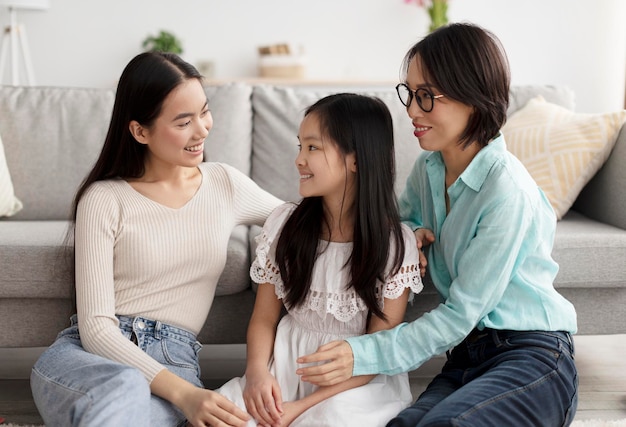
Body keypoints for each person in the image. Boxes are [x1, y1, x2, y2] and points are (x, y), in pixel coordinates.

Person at [296, 23, 579, 427]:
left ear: (473, 98)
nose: (411, 110)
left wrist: (362, 354)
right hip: (466, 356)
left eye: (426, 97)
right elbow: (402, 221)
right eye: (410, 94)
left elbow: (461, 313)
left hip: (533, 356)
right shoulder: (428, 169)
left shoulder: (506, 191)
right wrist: (410, 236)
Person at [30, 51, 283, 427]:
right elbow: (97, 328)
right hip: (89, 359)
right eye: (183, 121)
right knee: (124, 387)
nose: (202, 130)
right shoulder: (103, 198)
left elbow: (302, 221)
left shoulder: (224, 184)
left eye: (204, 112)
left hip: (176, 358)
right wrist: (185, 395)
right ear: (140, 131)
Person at [216, 93, 424, 427]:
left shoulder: (395, 245)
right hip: (283, 366)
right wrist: (256, 374)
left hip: (356, 380)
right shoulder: (285, 224)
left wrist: (302, 408)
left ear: (356, 159)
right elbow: (264, 318)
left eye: (312, 148)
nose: (299, 159)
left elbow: (381, 348)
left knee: (329, 420)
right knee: (224, 415)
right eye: (300, 146)